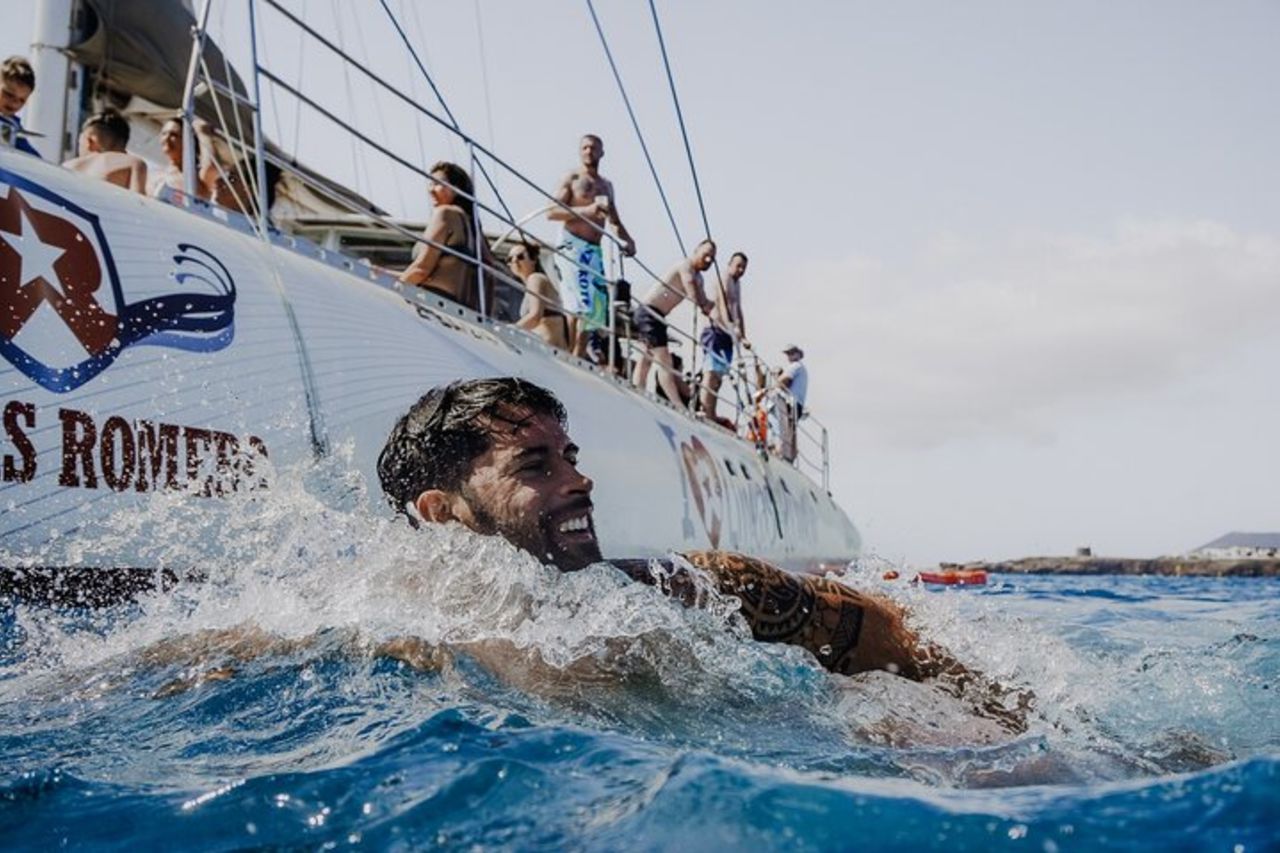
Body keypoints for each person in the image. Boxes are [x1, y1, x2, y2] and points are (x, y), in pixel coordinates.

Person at [375, 377, 1014, 701]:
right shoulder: (383, 614)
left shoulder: (692, 587)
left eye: (570, 456)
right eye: (536, 466)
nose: (581, 479)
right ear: (439, 510)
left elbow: (891, 636)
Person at [548, 134, 636, 361]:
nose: (589, 151)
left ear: (601, 153)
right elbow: (551, 212)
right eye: (585, 147)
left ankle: (578, 354)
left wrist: (628, 240)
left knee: (595, 307)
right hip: (573, 245)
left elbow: (614, 220)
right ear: (580, 151)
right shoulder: (572, 178)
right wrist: (586, 212)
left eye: (593, 148)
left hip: (594, 251)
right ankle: (567, 354)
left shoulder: (606, 186)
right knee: (577, 301)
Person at [396, 161, 497, 311]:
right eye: (431, 183)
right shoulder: (474, 230)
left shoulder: (445, 213)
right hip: (457, 309)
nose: (431, 190)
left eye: (438, 183)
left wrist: (394, 288)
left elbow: (421, 270)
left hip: (430, 301)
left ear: (456, 189)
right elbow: (488, 273)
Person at [632, 239, 717, 407]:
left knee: (646, 358)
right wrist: (703, 304)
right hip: (649, 312)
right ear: (696, 250)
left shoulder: (699, 278)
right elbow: (693, 292)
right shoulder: (685, 266)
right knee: (665, 362)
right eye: (705, 255)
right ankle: (678, 404)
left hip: (658, 316)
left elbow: (703, 300)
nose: (708, 260)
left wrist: (713, 306)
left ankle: (637, 390)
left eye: (712, 258)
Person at [698, 251, 750, 423]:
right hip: (716, 328)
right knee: (711, 371)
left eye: (743, 267)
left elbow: (738, 308)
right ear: (730, 264)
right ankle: (704, 409)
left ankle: (711, 412)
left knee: (719, 376)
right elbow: (722, 304)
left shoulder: (738, 283)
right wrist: (728, 324)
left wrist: (743, 334)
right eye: (738, 266)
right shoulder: (725, 278)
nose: (741, 270)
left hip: (728, 333)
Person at [62, 109, 148, 193]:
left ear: (89, 142)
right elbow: (138, 204)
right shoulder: (133, 163)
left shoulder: (67, 166)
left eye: (79, 144)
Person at [508, 242, 572, 352]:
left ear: (533, 260)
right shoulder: (532, 283)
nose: (514, 261)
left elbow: (535, 315)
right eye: (510, 259)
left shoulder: (535, 278)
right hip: (550, 349)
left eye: (520, 256)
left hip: (547, 349)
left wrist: (510, 329)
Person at [148, 116, 212, 200]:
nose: (166, 138)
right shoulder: (155, 173)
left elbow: (210, 165)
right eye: (164, 133)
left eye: (173, 135)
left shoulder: (198, 176)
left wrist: (202, 132)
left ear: (188, 141)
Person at [0, 56, 40, 157]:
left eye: (22, 100)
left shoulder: (14, 127)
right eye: (9, 94)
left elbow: (31, 157)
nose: (14, 103)